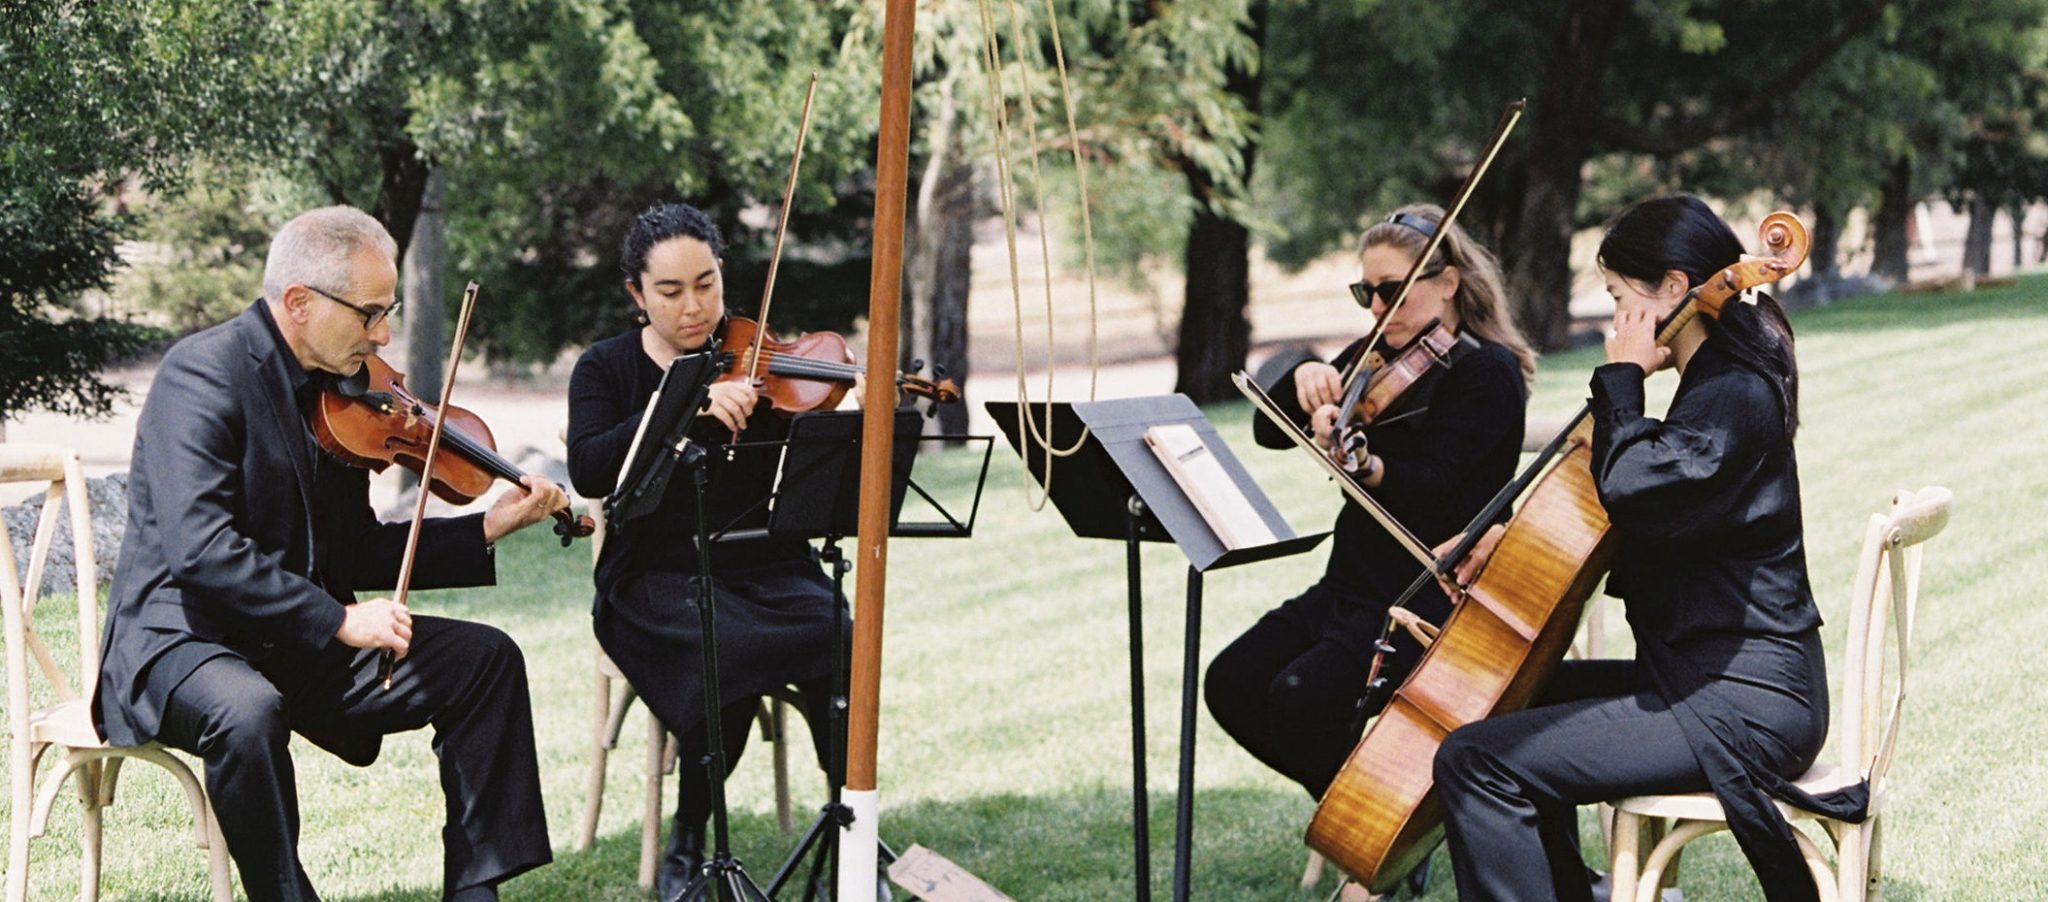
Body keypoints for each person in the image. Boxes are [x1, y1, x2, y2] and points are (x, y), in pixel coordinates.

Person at [92, 205, 571, 901]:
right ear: (298, 302)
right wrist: (340, 621)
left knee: (485, 661)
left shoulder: (344, 393)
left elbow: (354, 548)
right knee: (246, 709)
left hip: (289, 641)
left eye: (389, 313)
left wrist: (485, 529)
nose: (382, 335)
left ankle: (476, 891)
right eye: (370, 314)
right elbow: (201, 551)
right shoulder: (201, 375)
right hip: (183, 641)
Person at [1431, 195, 1863, 902]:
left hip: (1745, 704)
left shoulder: (1730, 393)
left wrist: (1624, 377)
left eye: (1618, 296)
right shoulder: (1713, 388)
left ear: (1670, 288)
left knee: (1477, 761)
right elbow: (1658, 519)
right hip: (1704, 679)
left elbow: (1632, 484)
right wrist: (1513, 541)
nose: (1614, 320)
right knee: (1509, 697)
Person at [1204, 203, 1536, 802]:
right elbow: (1270, 429)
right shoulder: (1373, 354)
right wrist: (1302, 370)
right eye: (1367, 293)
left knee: (1300, 694)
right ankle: (1379, 816)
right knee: (1232, 681)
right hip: (1347, 587)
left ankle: (1377, 830)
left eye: (1393, 292)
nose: (1379, 310)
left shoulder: (1486, 372)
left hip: (1425, 599)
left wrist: (1370, 465)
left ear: (1448, 283)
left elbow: (1440, 483)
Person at [565, 203, 845, 899]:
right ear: (637, 294)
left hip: (760, 563)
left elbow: (807, 464)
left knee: (840, 630)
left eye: (708, 284)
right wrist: (683, 406)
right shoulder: (604, 370)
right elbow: (592, 467)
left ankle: (850, 827)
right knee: (724, 648)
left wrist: (847, 405)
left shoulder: (758, 361)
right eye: (670, 291)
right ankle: (689, 845)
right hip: (651, 580)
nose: (695, 308)